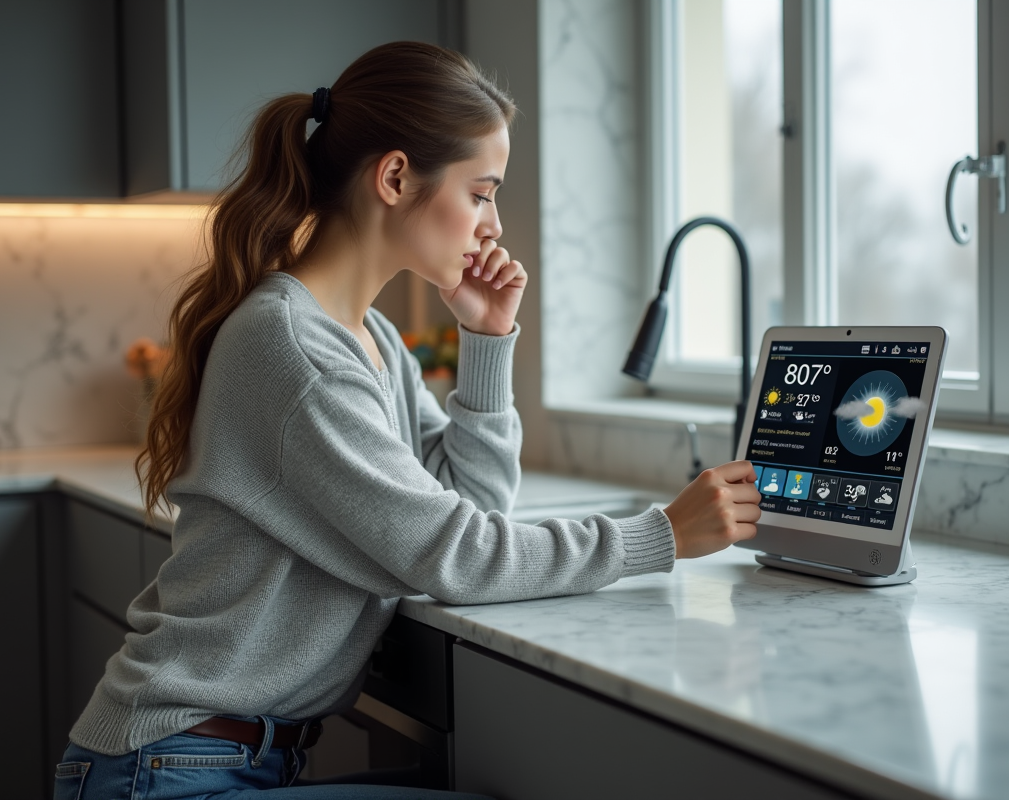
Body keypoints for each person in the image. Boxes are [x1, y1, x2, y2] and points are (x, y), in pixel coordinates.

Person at [53, 41, 762, 800]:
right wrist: (660, 536)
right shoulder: (294, 347)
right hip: (169, 774)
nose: (491, 224)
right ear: (394, 177)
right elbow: (455, 558)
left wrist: (487, 343)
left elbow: (471, 511)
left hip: (206, 765)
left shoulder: (370, 339)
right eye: (483, 191)